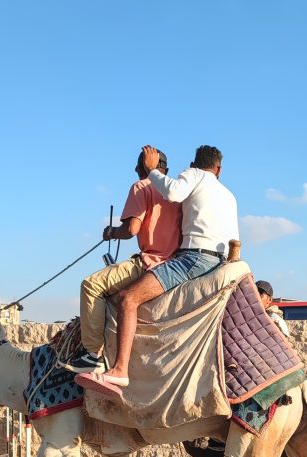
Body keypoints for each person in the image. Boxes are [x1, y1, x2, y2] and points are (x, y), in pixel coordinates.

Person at [77, 144, 239, 397]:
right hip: (218, 260)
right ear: (219, 168)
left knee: (119, 296)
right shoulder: (228, 195)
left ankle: (103, 362)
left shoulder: (182, 180)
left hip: (182, 259)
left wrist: (111, 233)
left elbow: (132, 229)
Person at [63, 149, 183, 374]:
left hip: (151, 261)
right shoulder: (178, 192)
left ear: (143, 167)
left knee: (92, 285)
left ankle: (91, 354)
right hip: (176, 266)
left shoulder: (141, 186)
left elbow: (131, 230)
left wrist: (112, 232)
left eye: (137, 167)